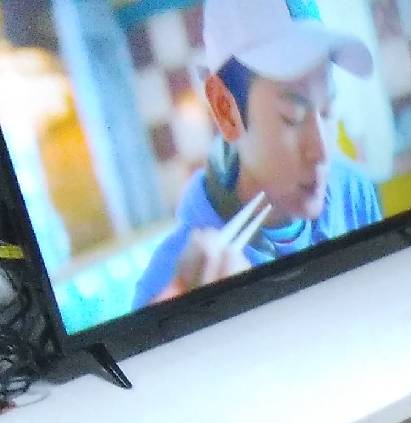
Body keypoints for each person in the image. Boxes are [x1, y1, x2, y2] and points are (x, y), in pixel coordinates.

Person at [134, 0, 381, 307]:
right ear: (225, 109)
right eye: (292, 116)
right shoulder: (172, 284)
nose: (321, 153)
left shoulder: (353, 191)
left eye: (328, 110)